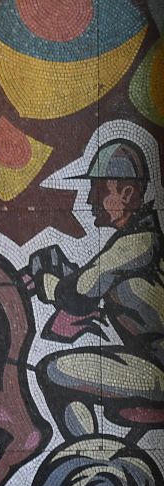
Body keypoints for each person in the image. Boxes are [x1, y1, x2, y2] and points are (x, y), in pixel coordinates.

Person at [27, 138, 162, 425]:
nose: (89, 199)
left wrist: (50, 284)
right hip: (152, 364)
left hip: (158, 370)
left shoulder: (140, 244)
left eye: (99, 189)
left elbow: (80, 293)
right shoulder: (132, 241)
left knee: (52, 371)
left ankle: (93, 459)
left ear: (126, 193)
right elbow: (91, 277)